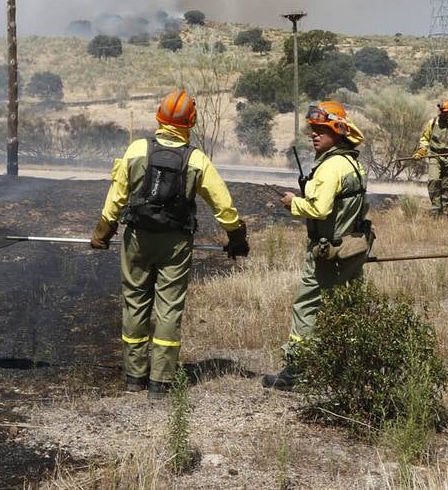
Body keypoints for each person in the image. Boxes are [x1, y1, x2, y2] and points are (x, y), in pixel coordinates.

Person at [89, 90, 249, 397]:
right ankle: (161, 381)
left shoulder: (136, 150)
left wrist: (102, 233)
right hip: (176, 245)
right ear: (191, 121)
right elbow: (224, 207)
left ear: (159, 117)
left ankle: (134, 378)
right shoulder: (197, 159)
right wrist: (237, 239)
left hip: (137, 239)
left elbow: (116, 199)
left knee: (135, 302)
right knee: (168, 308)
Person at [262, 100, 371, 391]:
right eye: (312, 129)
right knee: (347, 307)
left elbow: (321, 209)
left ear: (337, 131)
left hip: (328, 253)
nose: (314, 134)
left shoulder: (330, 166)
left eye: (321, 129)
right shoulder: (352, 163)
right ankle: (347, 367)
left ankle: (297, 371)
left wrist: (293, 203)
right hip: (352, 248)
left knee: (307, 307)